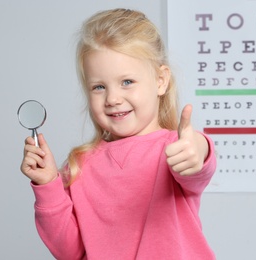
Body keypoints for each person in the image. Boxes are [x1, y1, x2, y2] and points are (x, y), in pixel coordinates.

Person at [20, 8, 216, 260]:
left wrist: (197, 149)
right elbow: (70, 252)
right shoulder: (80, 166)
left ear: (160, 80)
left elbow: (198, 162)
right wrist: (48, 184)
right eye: (99, 87)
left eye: (127, 82)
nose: (112, 98)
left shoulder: (175, 149)